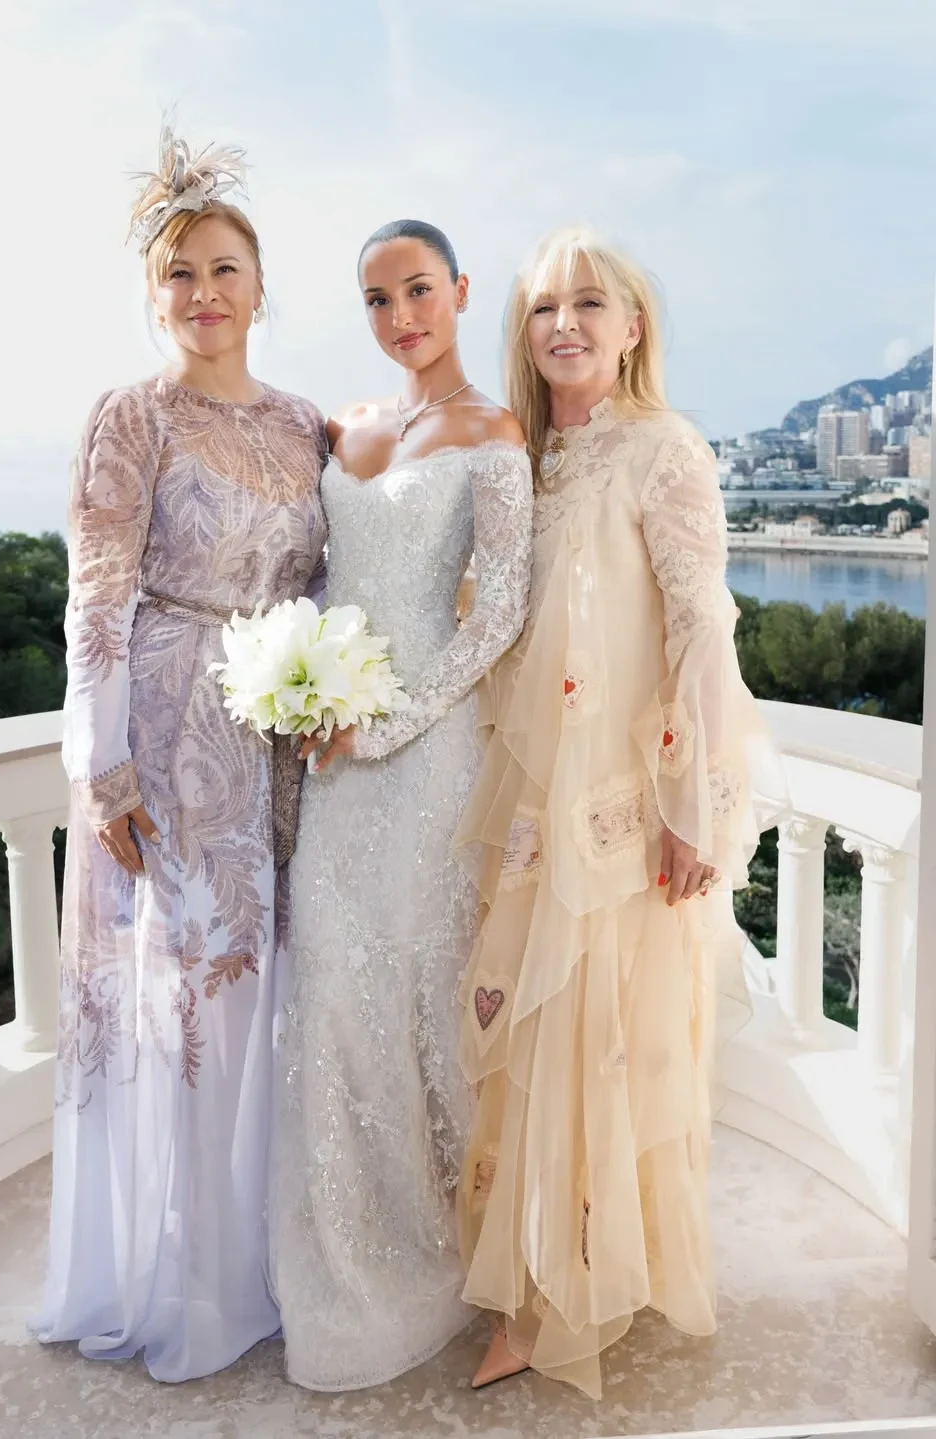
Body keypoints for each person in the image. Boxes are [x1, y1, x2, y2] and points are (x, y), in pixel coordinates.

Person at [453, 225, 787, 1392]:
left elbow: (702, 628)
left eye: (590, 302)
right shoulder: (529, 459)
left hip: (624, 806)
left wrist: (695, 805)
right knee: (531, 1029)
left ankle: (563, 1294)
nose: (565, 323)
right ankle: (537, 1264)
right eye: (545, 305)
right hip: (531, 803)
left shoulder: (664, 449)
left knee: (601, 1033)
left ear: (633, 328)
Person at [30, 127, 327, 1383]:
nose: (204, 291)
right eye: (179, 274)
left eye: (223, 269)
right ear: (154, 297)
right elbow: (95, 595)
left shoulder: (307, 424)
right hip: (161, 732)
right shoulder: (131, 415)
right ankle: (187, 1282)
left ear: (261, 286)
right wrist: (100, 765)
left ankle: (257, 1262)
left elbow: (328, 580)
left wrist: (321, 689)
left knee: (261, 996)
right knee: (184, 1000)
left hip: (274, 742)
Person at [267, 220, 534, 1391]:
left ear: (460, 291)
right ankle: (347, 1256)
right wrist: (298, 681)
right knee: (334, 986)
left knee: (426, 989)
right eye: (377, 299)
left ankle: (452, 1247)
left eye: (418, 290)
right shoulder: (343, 425)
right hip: (332, 752)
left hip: (426, 750)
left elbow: (498, 614)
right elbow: (318, 574)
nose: (400, 317)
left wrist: (384, 723)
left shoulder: (495, 433)